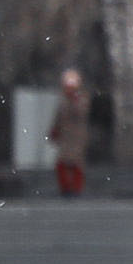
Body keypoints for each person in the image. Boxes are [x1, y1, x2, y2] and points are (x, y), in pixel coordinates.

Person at [47, 69, 91, 197]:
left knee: (76, 162)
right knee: (62, 163)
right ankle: (65, 188)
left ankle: (76, 189)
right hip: (66, 135)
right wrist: (55, 129)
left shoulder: (81, 98)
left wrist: (74, 100)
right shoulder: (63, 99)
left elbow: (80, 113)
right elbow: (58, 116)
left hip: (77, 136)